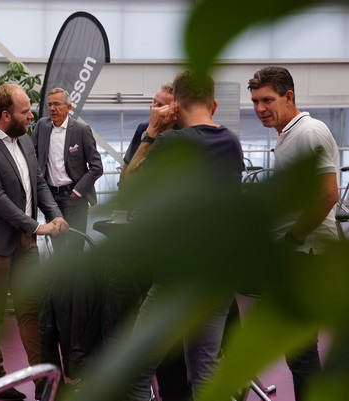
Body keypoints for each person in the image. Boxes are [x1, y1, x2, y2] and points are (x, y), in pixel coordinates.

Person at [127, 70, 244, 401]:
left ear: (175, 106)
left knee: (135, 372)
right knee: (204, 373)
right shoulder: (231, 142)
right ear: (214, 104)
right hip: (218, 276)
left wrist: (152, 132)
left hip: (176, 279)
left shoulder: (170, 143)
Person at [0, 83, 69, 400]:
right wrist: (37, 227)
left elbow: (38, 182)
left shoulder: (24, 139)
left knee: (31, 309)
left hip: (25, 242)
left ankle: (42, 382)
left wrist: (55, 215)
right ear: (6, 115)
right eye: (25, 111)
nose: (32, 115)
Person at [248, 66, 339, 401]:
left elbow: (328, 195)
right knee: (297, 350)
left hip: (306, 256)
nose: (260, 108)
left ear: (289, 96)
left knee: (300, 352)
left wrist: (292, 238)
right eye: (255, 101)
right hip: (297, 255)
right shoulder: (287, 135)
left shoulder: (309, 132)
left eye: (267, 100)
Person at [32, 87, 103, 250]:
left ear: (68, 107)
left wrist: (77, 192)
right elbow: (32, 156)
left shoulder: (81, 130)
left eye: (56, 104)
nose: (52, 108)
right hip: (50, 198)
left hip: (74, 198)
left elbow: (97, 167)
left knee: (74, 248)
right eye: (49, 105)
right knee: (57, 247)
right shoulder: (42, 126)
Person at [119, 82, 174, 186]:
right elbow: (126, 169)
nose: (153, 108)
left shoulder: (180, 135)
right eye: (154, 102)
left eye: (160, 105)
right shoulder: (142, 129)